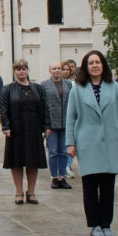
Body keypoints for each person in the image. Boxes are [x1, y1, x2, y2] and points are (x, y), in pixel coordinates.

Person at [66, 51, 118, 236]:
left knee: (108, 186)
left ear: (103, 65)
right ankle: (94, 223)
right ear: (86, 67)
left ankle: (106, 223)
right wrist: (70, 143)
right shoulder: (78, 89)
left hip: (111, 141)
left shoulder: (114, 87)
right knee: (90, 185)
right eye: (91, 63)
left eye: (98, 62)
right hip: (88, 141)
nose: (95, 65)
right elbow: (71, 117)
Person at [0, 59, 50, 205]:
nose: (21, 71)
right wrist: (6, 126)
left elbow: (45, 107)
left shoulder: (38, 88)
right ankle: (19, 191)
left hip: (34, 128)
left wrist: (47, 126)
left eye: (24, 68)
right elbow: (4, 108)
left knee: (33, 161)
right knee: (17, 161)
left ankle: (31, 191)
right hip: (16, 129)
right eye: (18, 69)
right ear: (14, 72)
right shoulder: (8, 89)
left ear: (28, 70)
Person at [42, 62, 73, 190]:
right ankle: (54, 176)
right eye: (54, 68)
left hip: (65, 122)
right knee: (53, 151)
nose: (57, 71)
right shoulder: (44, 85)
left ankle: (62, 177)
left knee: (64, 151)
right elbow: (43, 106)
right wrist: (45, 125)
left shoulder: (68, 84)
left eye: (59, 68)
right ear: (50, 70)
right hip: (51, 124)